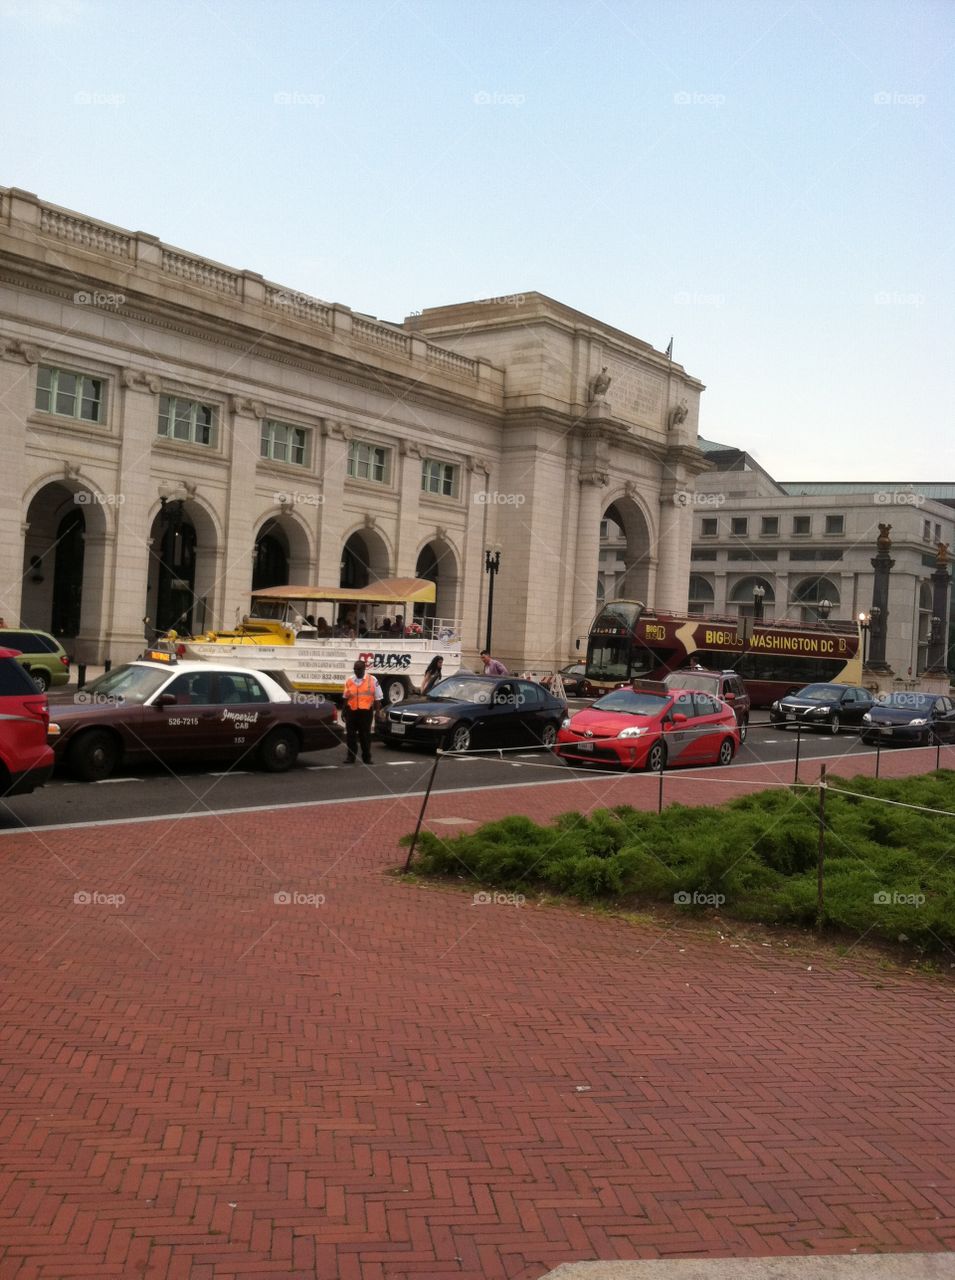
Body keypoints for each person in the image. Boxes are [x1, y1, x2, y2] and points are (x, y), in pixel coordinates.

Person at [342, 659, 383, 765]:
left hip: (365, 712)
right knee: (350, 736)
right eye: (355, 669)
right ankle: (350, 757)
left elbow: (378, 698)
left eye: (358, 669)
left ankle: (366, 758)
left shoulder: (372, 680)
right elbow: (346, 697)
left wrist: (377, 712)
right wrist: (344, 710)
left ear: (364, 669)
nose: (356, 671)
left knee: (365, 736)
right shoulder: (349, 680)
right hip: (352, 711)